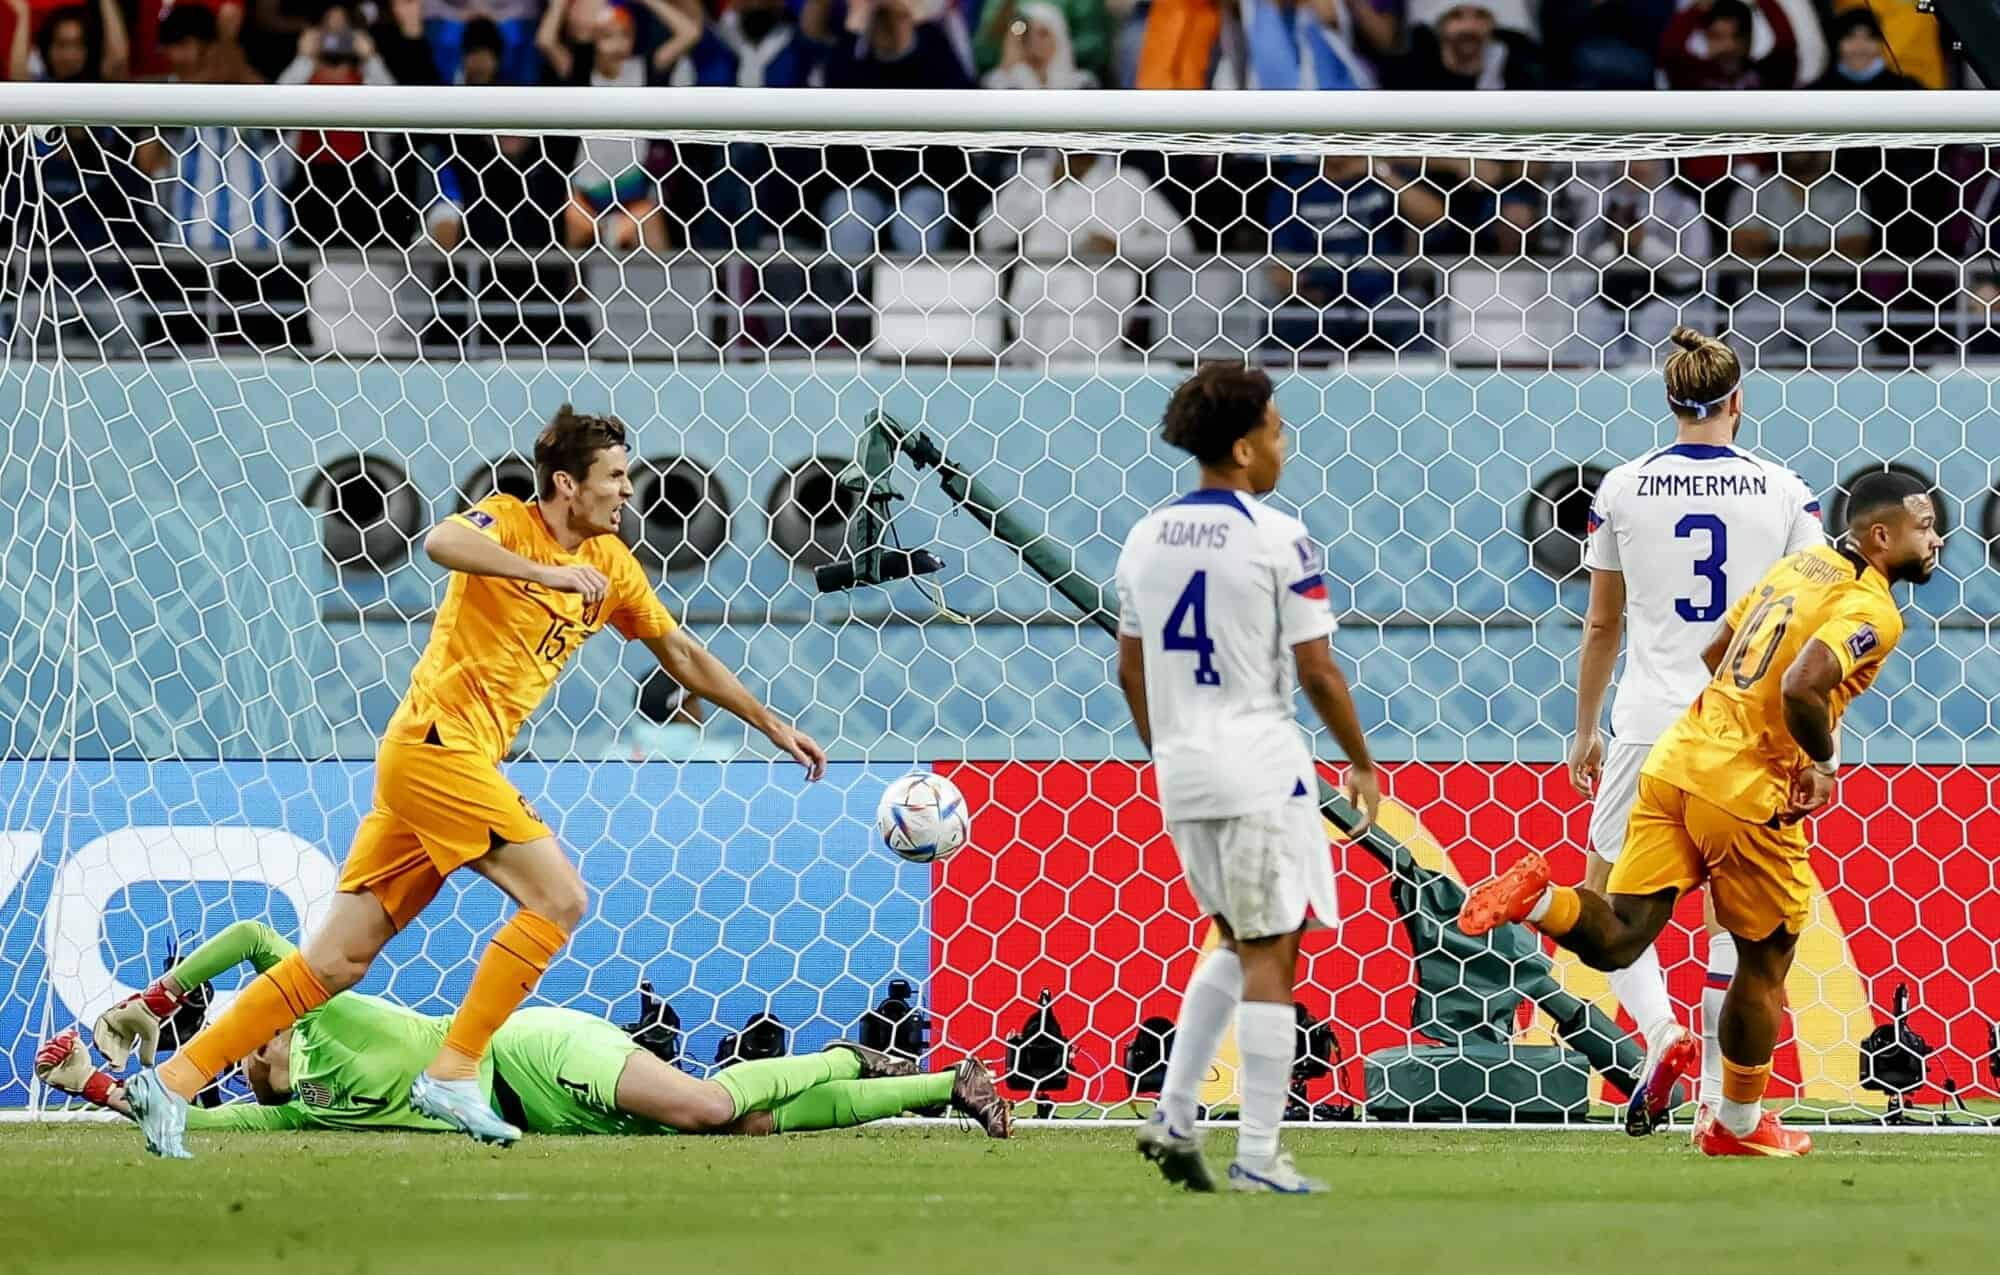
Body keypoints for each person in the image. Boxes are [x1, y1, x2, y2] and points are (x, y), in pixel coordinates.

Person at [113, 407, 829, 1159]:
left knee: (336, 962)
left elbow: (679, 652)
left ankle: (174, 1082)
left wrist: (770, 723)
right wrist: (546, 572)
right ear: (566, 483)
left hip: (440, 762)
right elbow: (439, 541)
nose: (627, 491)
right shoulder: (509, 521)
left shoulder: (614, 563)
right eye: (615, 476)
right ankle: (453, 1071)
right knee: (559, 898)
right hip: (438, 746)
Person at [1461, 469, 1942, 1157]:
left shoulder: (1798, 568)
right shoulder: (1874, 610)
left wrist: (1734, 716)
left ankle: (1539, 900)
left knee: (1622, 935)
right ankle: (1736, 1123)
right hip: (1745, 787)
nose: (1936, 539)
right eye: (1924, 528)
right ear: (1881, 536)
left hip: (1677, 758)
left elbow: (1719, 647)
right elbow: (1803, 683)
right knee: (1765, 956)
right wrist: (1821, 762)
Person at [1116, 364, 1382, 1193]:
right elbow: (1318, 669)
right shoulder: (1278, 537)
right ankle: (1259, 1156)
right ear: (1241, 447)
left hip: (1183, 771)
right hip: (1259, 766)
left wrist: (1172, 750)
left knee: (1235, 934)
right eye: (1275, 430)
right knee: (1274, 947)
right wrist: (1362, 759)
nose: (1282, 445)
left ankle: (1174, 1112)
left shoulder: (1145, 537)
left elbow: (1129, 668)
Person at [1567, 326, 1826, 1136]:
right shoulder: (1786, 492)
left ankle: (1659, 1031)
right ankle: (1717, 1100)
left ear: (1670, 400)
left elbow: (1602, 623)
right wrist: (1810, 746)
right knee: (1734, 923)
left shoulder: (1622, 487)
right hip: (1741, 731)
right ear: (1737, 399)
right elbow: (1808, 631)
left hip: (1648, 721)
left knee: (1603, 905)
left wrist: (1585, 727)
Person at [59, 920, 1011, 1139]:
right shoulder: (299, 1112)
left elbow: (253, 937)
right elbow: (187, 1117)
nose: (247, 1046)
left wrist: (161, 995)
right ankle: (948, 1084)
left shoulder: (326, 1016)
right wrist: (96, 1087)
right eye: (239, 1048)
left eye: (254, 1030)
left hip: (533, 1051)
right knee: (751, 1124)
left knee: (708, 1105)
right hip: (546, 1118)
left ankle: (845, 1052)